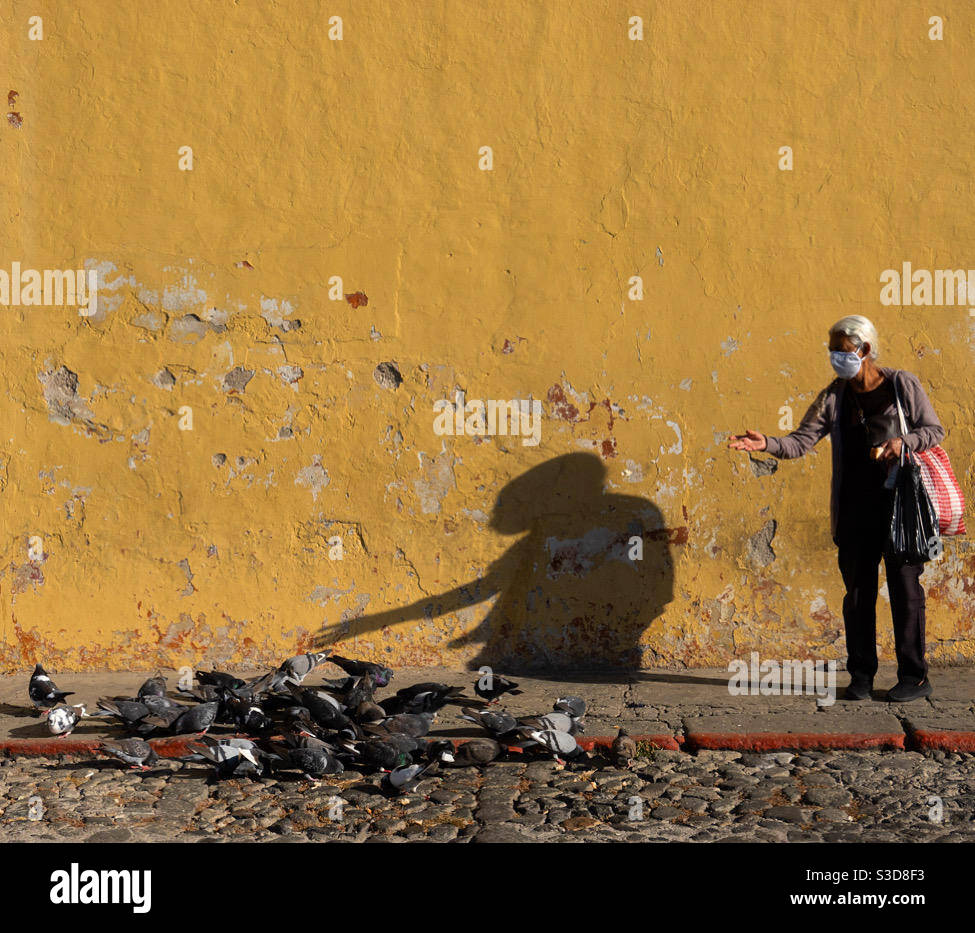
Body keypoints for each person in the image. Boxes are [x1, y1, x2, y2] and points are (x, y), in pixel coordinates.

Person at [728, 315, 945, 702]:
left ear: (864, 350)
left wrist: (904, 443)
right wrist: (767, 444)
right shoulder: (835, 395)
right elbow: (801, 441)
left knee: (905, 591)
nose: (835, 358)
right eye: (831, 351)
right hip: (854, 509)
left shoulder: (901, 385)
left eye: (840, 350)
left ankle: (914, 676)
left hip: (901, 510)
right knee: (858, 595)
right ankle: (861, 676)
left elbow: (934, 430)